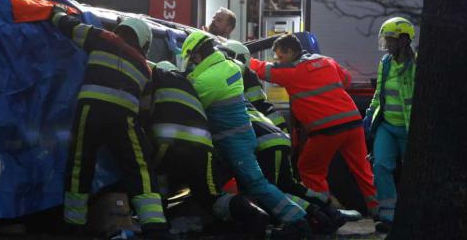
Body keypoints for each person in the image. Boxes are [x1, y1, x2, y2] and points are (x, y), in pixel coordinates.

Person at [181, 31, 311, 240]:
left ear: (196, 56)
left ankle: (297, 221)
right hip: (242, 136)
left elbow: (191, 103)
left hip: (234, 142)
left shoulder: (206, 80)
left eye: (191, 59)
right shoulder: (229, 66)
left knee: (257, 184)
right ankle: (249, 224)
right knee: (243, 186)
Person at [51, 9, 170, 238]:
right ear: (144, 43)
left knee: (80, 165)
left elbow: (69, 26)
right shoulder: (145, 68)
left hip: (90, 111)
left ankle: (73, 225)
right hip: (125, 118)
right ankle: (155, 225)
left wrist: (53, 12)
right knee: (139, 169)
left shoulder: (102, 38)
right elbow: (145, 111)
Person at [219, 40, 345, 234]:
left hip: (264, 140)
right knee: (287, 185)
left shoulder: (231, 77)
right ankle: (326, 210)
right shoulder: (247, 76)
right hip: (277, 135)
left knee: (272, 190)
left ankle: (309, 218)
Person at [250, 34, 379, 220]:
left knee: (309, 169)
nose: (278, 61)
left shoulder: (291, 72)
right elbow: (347, 80)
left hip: (326, 129)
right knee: (362, 168)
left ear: (290, 51)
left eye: (280, 56)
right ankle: (378, 210)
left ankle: (327, 212)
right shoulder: (327, 60)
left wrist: (234, 53)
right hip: (352, 121)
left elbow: (259, 68)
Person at [146, 61, 270, 240]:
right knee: (212, 198)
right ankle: (254, 214)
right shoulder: (190, 84)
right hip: (202, 147)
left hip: (167, 143)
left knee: (155, 182)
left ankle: (158, 227)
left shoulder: (155, 77)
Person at [364, 17, 417, 233]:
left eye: (391, 39)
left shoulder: (416, 65)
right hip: (386, 125)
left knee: (412, 173)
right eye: (385, 40)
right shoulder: (385, 63)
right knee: (381, 167)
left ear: (404, 40)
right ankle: (388, 216)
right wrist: (369, 114)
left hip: (408, 128)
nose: (387, 44)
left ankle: (412, 214)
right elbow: (379, 93)